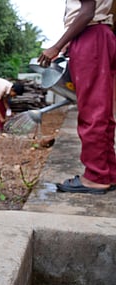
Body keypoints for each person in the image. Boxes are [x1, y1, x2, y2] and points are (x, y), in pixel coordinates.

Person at [38, 0, 116, 194]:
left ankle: (95, 177)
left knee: (93, 111)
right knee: (103, 110)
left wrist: (57, 46)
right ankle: (109, 172)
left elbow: (87, 12)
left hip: (91, 37)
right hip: (100, 35)